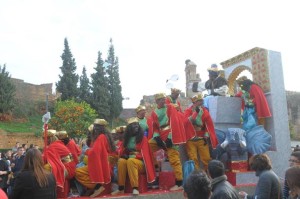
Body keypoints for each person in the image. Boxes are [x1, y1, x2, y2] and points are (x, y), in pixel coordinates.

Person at [149, 93, 186, 191]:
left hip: (171, 135)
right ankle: (155, 168)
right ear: (157, 101)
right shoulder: (154, 112)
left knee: (174, 159)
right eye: (161, 99)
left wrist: (170, 137)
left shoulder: (170, 107)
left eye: (164, 99)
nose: (164, 101)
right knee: (148, 146)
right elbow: (155, 127)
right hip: (161, 135)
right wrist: (156, 137)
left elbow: (174, 122)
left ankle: (179, 183)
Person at [111, 117, 156, 195]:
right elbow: (122, 151)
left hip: (141, 164)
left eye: (137, 125)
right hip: (129, 160)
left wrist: (133, 156)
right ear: (129, 128)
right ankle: (121, 188)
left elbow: (145, 156)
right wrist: (123, 155)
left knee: (131, 161)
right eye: (134, 125)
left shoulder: (143, 138)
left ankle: (135, 188)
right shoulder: (126, 139)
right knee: (121, 161)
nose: (136, 127)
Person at [75, 119, 116, 198]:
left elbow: (95, 152)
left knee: (78, 172)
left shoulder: (101, 137)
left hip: (102, 165)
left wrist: (86, 150)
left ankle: (97, 187)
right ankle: (96, 187)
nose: (95, 129)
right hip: (105, 164)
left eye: (96, 127)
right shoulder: (104, 136)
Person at [184, 94, 218, 171]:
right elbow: (186, 122)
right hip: (190, 139)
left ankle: (208, 175)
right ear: (194, 102)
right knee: (193, 159)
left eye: (202, 101)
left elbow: (208, 125)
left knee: (206, 158)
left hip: (202, 138)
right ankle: (196, 176)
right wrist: (195, 113)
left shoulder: (205, 111)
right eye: (199, 101)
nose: (201, 102)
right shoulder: (188, 111)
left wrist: (206, 136)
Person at [43, 129, 76, 197]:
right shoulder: (57, 144)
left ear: (49, 139)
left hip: (67, 169)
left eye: (45, 139)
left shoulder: (53, 146)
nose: (44, 141)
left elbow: (45, 159)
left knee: (46, 168)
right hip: (69, 166)